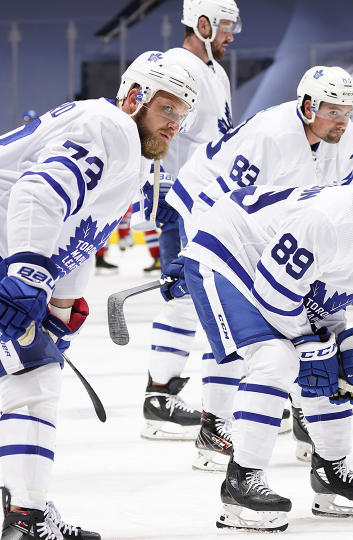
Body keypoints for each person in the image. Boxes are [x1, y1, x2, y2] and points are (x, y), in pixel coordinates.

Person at [0, 51, 198, 539]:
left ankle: (27, 511)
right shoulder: (109, 125)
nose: (176, 124)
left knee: (37, 375)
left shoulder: (128, 157)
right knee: (32, 381)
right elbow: (41, 192)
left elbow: (79, 235)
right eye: (168, 109)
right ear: (135, 97)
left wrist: (60, 308)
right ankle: (25, 520)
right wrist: (29, 273)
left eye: (183, 114)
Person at [173, 153, 353, 531]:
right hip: (227, 253)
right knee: (276, 359)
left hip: (270, 270)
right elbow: (275, 293)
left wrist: (346, 342)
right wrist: (312, 349)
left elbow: (326, 300)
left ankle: (330, 471)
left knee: (332, 361)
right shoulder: (326, 221)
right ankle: (241, 479)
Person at [163, 65, 353, 469]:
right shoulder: (271, 136)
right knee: (236, 320)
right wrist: (196, 256)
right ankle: (214, 426)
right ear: (308, 107)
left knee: (301, 312)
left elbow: (337, 203)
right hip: (209, 207)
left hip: (270, 216)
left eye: (348, 111)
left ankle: (305, 407)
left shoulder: (342, 136)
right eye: (333, 112)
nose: (343, 121)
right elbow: (218, 201)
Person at [135, 0, 241, 441]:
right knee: (189, 296)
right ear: (203, 23)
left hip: (214, 199)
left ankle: (166, 393)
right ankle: (161, 394)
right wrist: (154, 186)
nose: (232, 34)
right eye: (226, 26)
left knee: (208, 295)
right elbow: (154, 128)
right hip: (185, 196)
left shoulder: (215, 71)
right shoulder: (177, 67)